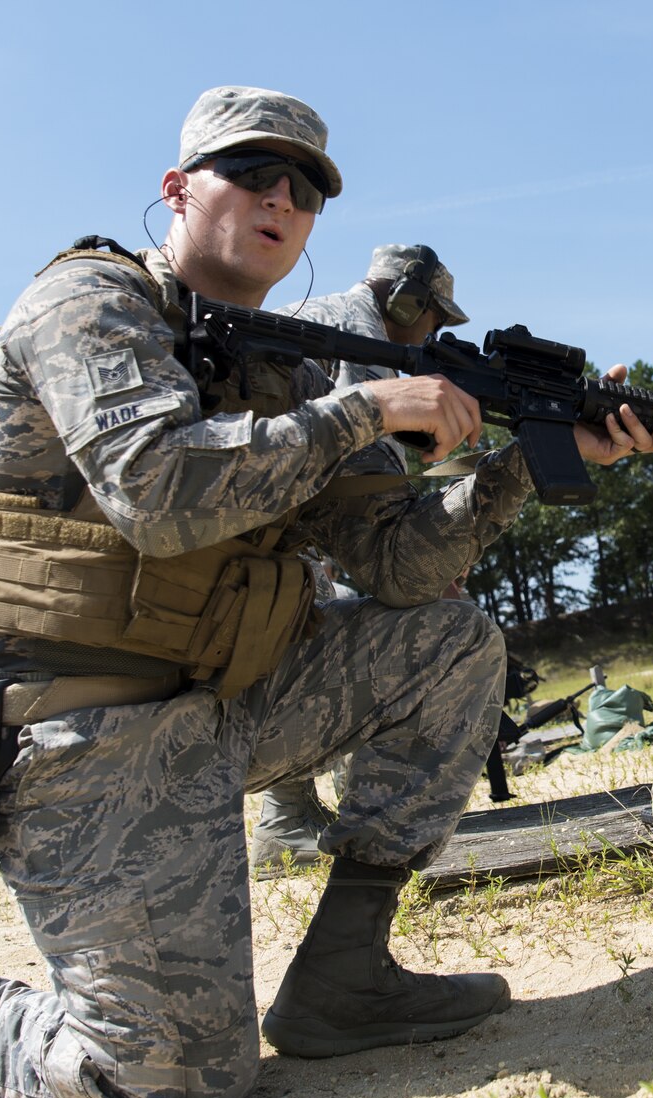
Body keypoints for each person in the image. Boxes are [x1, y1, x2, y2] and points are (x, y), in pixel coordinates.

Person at [0, 84, 653, 1098]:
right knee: (171, 1080)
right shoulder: (88, 301)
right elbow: (159, 492)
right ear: (179, 189)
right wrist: (362, 410)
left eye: (307, 186)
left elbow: (398, 565)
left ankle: (344, 978)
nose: (283, 196)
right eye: (254, 171)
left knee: (448, 643)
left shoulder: (300, 368)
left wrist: (527, 469)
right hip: (78, 730)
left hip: (223, 703)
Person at [250, 243, 483, 876]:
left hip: (265, 535)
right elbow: (370, 496)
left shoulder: (333, 324)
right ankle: (301, 821)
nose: (434, 334)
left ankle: (301, 816)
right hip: (266, 558)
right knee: (346, 608)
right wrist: (423, 555)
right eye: (432, 317)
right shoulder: (358, 337)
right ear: (404, 299)